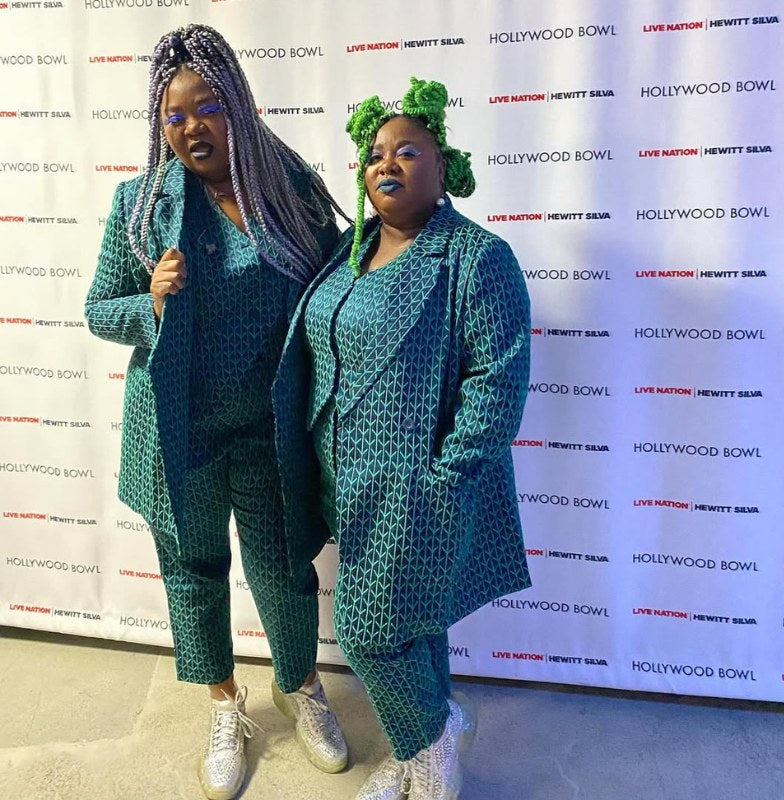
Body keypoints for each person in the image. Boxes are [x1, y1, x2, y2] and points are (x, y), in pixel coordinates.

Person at [85, 24, 349, 800]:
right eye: (175, 115)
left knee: (284, 572)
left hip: (269, 430)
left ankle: (298, 685)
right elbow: (101, 309)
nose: (191, 126)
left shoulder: (290, 189)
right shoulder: (142, 207)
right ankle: (224, 703)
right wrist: (153, 301)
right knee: (194, 570)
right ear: (159, 125)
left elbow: (333, 290)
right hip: (183, 429)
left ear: (239, 102)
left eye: (207, 106)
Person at [272, 77, 532, 800]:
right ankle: (418, 748)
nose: (386, 165)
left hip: (417, 487)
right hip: (344, 482)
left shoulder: (476, 259)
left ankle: (431, 743)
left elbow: (496, 381)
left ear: (443, 166)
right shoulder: (348, 249)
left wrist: (445, 480)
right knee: (412, 624)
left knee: (368, 631)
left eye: (407, 151)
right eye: (375, 154)